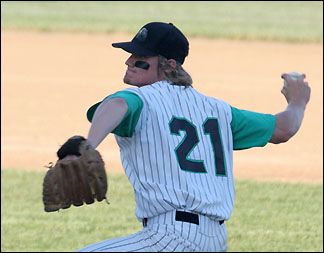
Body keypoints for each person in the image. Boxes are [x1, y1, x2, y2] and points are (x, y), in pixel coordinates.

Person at [76, 22, 311, 252]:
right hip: (215, 241)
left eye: (141, 57)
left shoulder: (141, 98)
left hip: (170, 238)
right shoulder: (220, 111)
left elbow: (117, 104)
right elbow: (283, 128)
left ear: (169, 65)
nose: (129, 61)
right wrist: (298, 101)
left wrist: (88, 146)